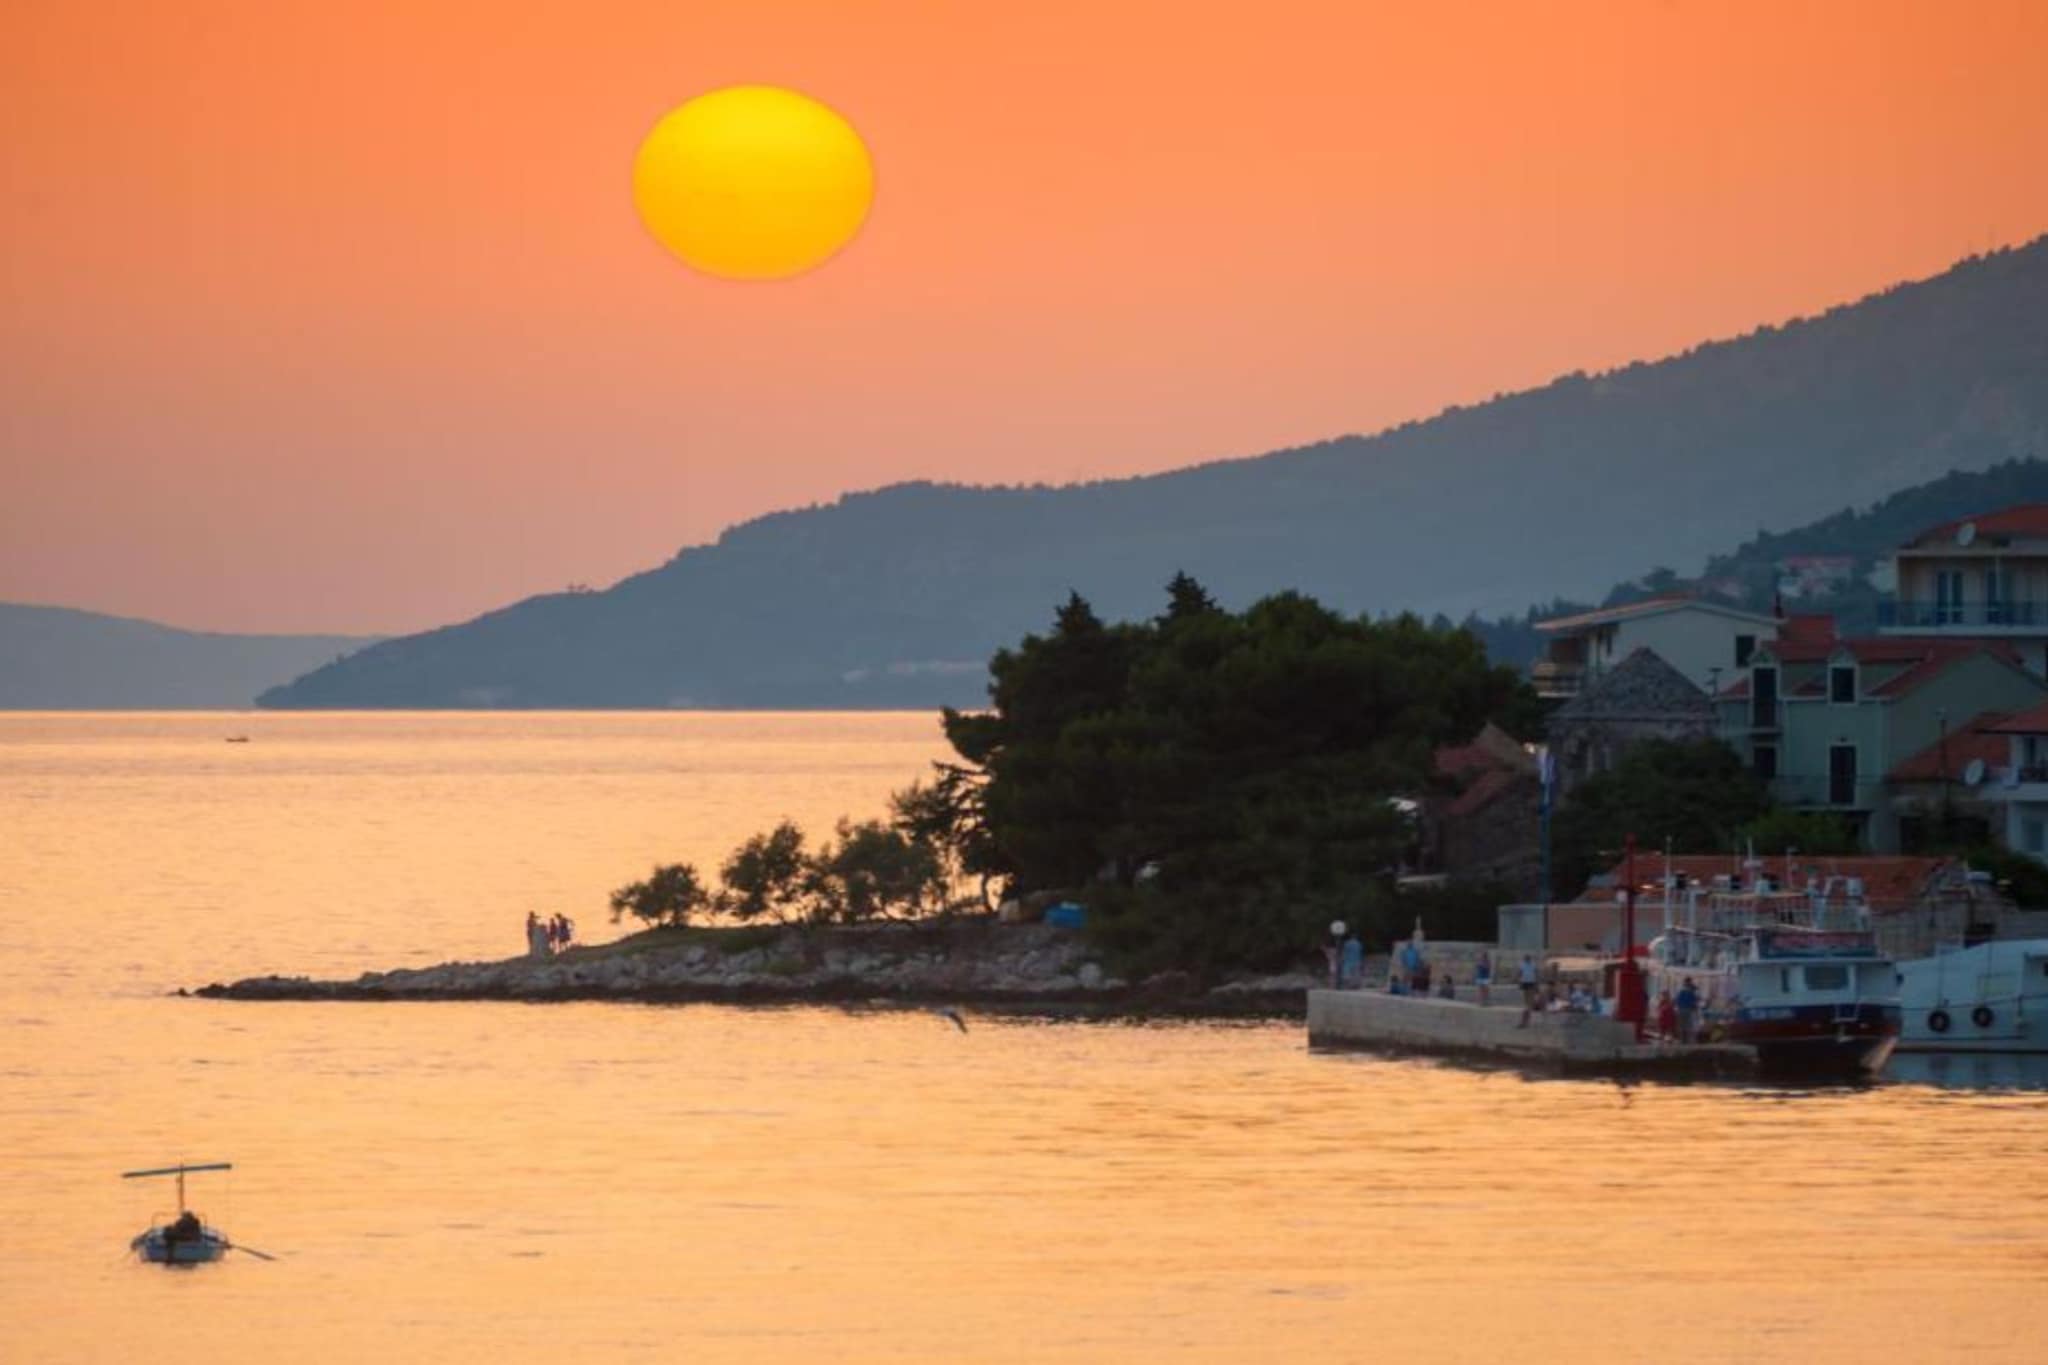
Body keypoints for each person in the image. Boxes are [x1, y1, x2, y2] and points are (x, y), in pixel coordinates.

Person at [1675, 977, 1701, 1044]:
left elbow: (1677, 1001)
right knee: (1687, 1026)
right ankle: (1685, 1040)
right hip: (1687, 1010)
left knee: (1684, 1026)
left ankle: (1684, 1040)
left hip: (1683, 1010)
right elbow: (1695, 1001)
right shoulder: (1689, 991)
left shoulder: (1682, 990)